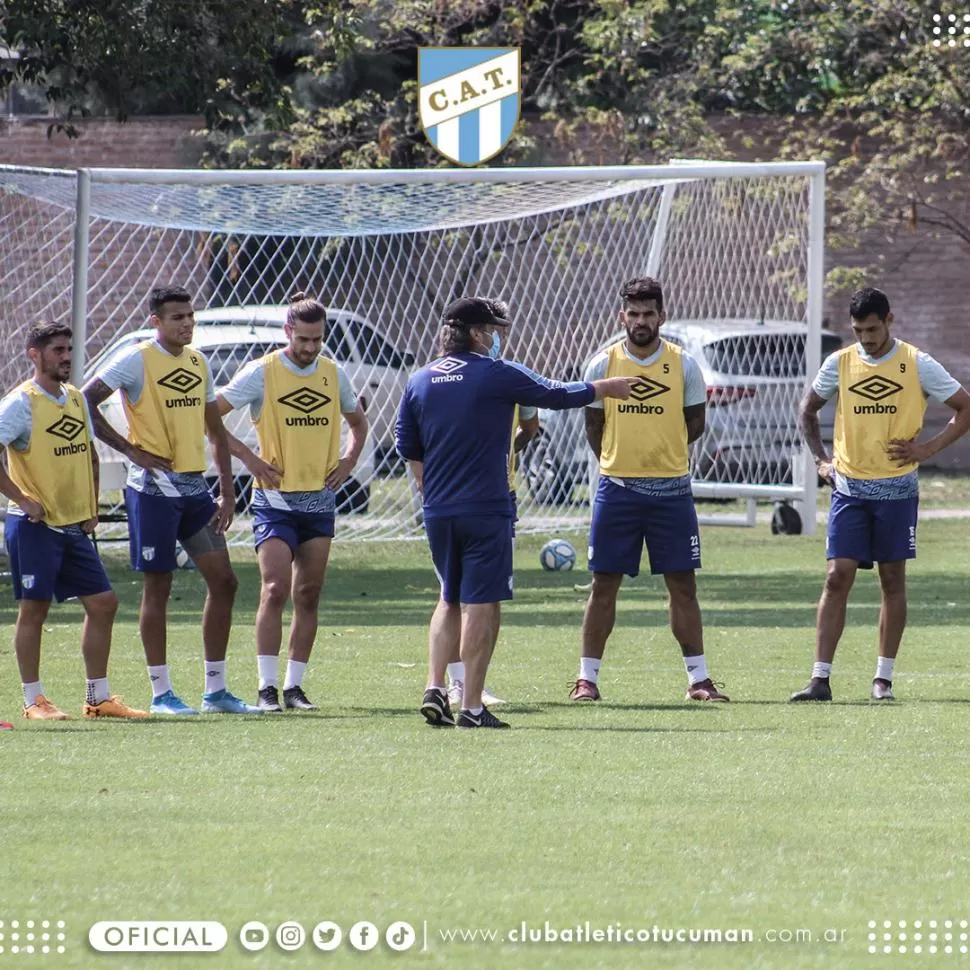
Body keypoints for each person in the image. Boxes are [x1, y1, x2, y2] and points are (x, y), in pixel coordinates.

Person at [396, 296, 637, 729]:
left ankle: (435, 686)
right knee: (481, 605)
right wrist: (605, 388)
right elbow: (555, 394)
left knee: (448, 598)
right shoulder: (496, 373)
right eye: (492, 331)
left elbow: (409, 448)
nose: (496, 339)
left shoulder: (420, 380)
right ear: (475, 333)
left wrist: (427, 487)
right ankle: (471, 706)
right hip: (486, 507)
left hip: (438, 509)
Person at [83, 285, 259, 716]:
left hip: (195, 490)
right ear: (155, 322)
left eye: (190, 316)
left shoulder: (198, 363)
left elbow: (214, 429)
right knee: (158, 587)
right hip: (152, 490)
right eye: (177, 317)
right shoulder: (136, 359)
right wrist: (129, 450)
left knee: (225, 582)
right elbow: (84, 401)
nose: (186, 324)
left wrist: (228, 488)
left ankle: (215, 692)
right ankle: (162, 693)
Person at [792, 286, 970, 702]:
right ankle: (820, 679)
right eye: (858, 330)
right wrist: (821, 460)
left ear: (889, 320)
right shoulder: (840, 363)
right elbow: (807, 409)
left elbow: (965, 406)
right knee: (837, 576)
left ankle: (882, 680)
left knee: (892, 580)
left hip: (898, 490)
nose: (866, 339)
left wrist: (926, 450)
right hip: (849, 488)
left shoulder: (916, 363)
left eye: (872, 329)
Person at [570, 276, 728, 704]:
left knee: (682, 585)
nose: (641, 321)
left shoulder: (684, 365)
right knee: (604, 585)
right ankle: (587, 680)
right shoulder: (601, 365)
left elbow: (695, 423)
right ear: (622, 316)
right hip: (617, 489)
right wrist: (623, 458)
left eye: (649, 313)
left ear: (662, 315)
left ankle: (699, 679)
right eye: (633, 313)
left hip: (672, 491)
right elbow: (593, 425)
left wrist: (662, 450)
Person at [216, 293, 368, 712]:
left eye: (317, 339)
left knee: (309, 593)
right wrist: (249, 457)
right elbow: (210, 415)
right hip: (274, 501)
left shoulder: (333, 374)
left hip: (319, 502)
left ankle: (294, 688)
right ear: (287, 332)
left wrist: (349, 460)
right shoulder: (262, 373)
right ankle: (266, 688)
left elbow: (358, 421)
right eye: (303, 339)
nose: (310, 348)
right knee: (273, 589)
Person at [0, 322, 146, 720]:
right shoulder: (21, 403)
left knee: (104, 604)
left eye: (69, 349)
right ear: (34, 354)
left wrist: (93, 505)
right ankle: (34, 701)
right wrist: (22, 499)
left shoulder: (77, 399)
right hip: (34, 528)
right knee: (35, 610)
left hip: (73, 525)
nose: (66, 357)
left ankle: (97, 698)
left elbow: (89, 454)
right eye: (58, 350)